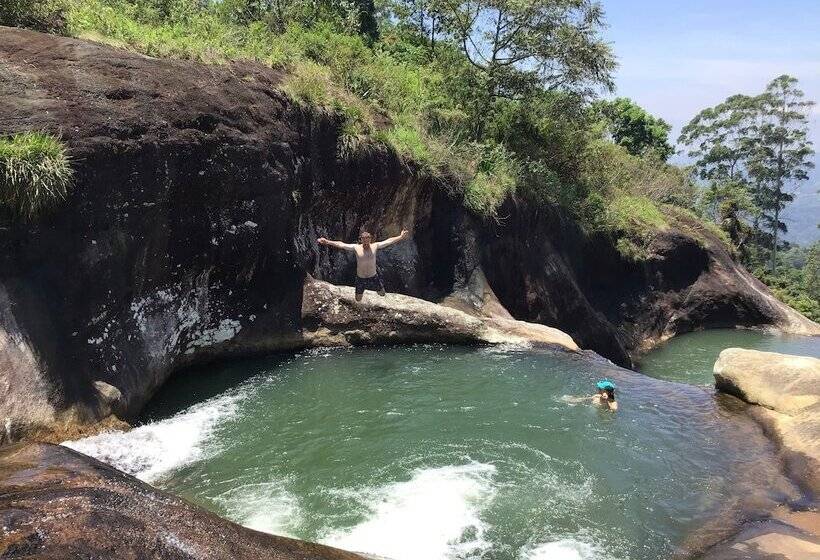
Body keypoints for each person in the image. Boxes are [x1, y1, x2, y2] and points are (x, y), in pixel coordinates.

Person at [317, 229, 410, 301]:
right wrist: (327, 242)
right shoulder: (356, 247)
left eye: (367, 239)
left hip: (373, 276)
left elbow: (388, 241)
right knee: (358, 299)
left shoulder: (375, 246)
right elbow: (341, 244)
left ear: (370, 239)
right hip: (360, 278)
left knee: (382, 294)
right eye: (363, 239)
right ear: (361, 240)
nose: (365, 241)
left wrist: (400, 237)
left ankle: (379, 291)